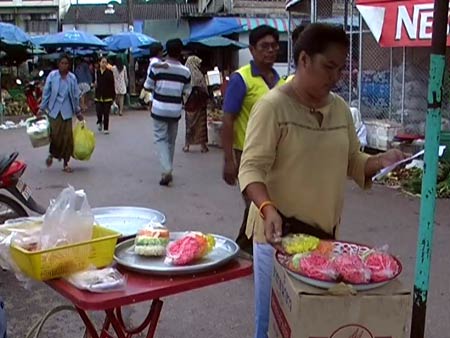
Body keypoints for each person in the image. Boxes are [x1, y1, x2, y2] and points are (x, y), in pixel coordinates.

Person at [238, 23, 406, 338]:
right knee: (273, 325)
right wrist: (267, 207)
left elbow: (353, 160)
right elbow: (250, 169)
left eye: (340, 69)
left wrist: (379, 162)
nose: (335, 77)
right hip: (277, 237)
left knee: (311, 324)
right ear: (304, 60)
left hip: (325, 241)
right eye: (328, 66)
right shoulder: (272, 107)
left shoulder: (340, 109)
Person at [221, 25, 285, 256]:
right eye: (264, 46)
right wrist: (229, 159)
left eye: (274, 46)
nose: (270, 51)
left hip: (275, 155)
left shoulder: (280, 80)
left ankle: (250, 246)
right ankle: (243, 247)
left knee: (265, 203)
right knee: (255, 205)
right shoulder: (242, 79)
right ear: (252, 50)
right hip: (245, 153)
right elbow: (227, 119)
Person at [144, 39, 191, 186]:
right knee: (171, 141)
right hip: (175, 110)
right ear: (181, 52)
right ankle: (168, 168)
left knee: (160, 139)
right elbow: (187, 92)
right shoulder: (186, 71)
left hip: (159, 109)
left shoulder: (157, 68)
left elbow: (147, 86)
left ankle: (166, 169)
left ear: (166, 51)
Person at [39, 54, 84, 173]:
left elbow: (75, 95)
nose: (64, 66)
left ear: (69, 65)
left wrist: (78, 111)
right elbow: (47, 93)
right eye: (62, 63)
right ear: (58, 64)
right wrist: (42, 108)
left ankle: (66, 163)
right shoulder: (52, 76)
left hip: (67, 111)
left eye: (66, 63)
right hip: (54, 110)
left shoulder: (72, 78)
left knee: (67, 138)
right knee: (55, 136)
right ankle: (52, 154)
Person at [183, 55, 209, 153]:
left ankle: (187, 145)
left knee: (189, 125)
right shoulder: (199, 74)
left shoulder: (185, 74)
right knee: (201, 125)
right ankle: (203, 146)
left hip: (189, 103)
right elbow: (203, 88)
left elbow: (184, 90)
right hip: (199, 103)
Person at [94, 57, 115, 134]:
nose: (103, 64)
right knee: (98, 111)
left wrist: (113, 97)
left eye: (105, 62)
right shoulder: (97, 72)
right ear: (100, 63)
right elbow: (95, 82)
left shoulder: (109, 73)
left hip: (107, 96)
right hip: (98, 95)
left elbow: (112, 85)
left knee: (106, 113)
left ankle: (106, 128)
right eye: (102, 62)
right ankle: (99, 121)